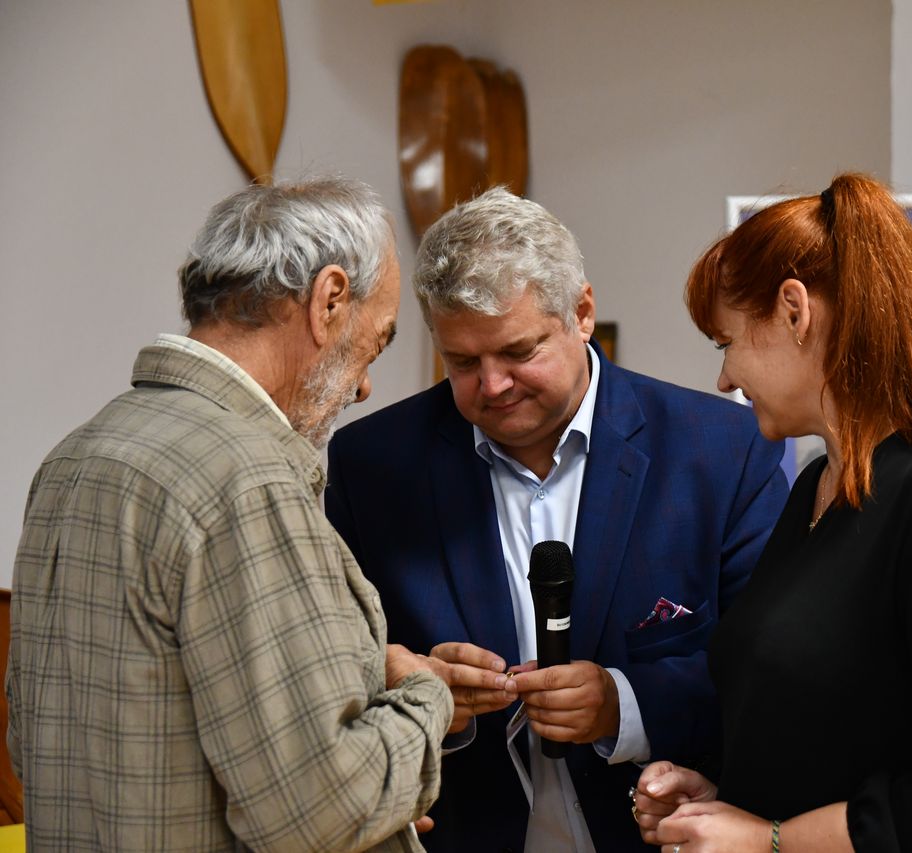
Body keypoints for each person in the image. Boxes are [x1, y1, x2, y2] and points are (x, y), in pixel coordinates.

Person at [5, 177, 480, 852]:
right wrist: (425, 696)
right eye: (373, 345)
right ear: (329, 301)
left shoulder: (74, 457)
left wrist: (354, 673)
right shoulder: (246, 477)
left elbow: (51, 741)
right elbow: (321, 813)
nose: (365, 386)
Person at [324, 187, 789, 852]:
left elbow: (769, 676)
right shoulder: (372, 465)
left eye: (518, 352)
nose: (492, 385)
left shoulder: (720, 450)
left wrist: (622, 702)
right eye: (463, 362)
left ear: (582, 314)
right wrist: (418, 689)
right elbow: (335, 672)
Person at [633, 173, 912, 853]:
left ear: (794, 311)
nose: (724, 378)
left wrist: (772, 838)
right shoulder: (813, 488)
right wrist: (725, 804)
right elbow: (838, 737)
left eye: (726, 342)